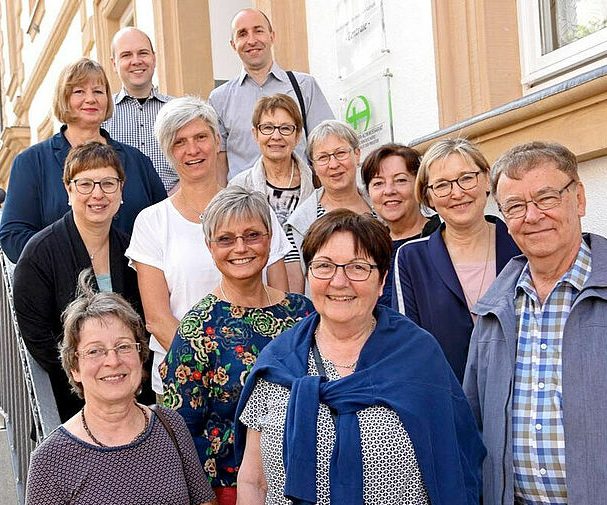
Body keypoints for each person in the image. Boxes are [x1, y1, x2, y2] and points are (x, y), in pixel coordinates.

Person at [235, 210, 485, 505]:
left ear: (382, 281)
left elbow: (455, 467)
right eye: (324, 266)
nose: (339, 281)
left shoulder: (419, 358)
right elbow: (254, 480)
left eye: (357, 267)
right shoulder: (278, 361)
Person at [464, 141, 607, 505]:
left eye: (546, 198)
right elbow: (473, 422)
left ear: (578, 199)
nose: (532, 216)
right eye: (515, 206)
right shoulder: (494, 309)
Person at [126, 96, 290, 400]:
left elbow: (280, 295)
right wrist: (216, 367)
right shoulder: (152, 222)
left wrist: (256, 364)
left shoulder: (256, 210)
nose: (192, 150)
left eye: (201, 137)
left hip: (266, 376)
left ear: (217, 141)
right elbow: (158, 318)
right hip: (186, 380)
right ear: (168, 153)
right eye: (180, 142)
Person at [162, 186, 313, 505]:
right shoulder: (198, 327)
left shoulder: (303, 314)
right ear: (209, 246)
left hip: (309, 481)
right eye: (226, 239)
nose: (240, 248)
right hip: (229, 490)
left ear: (270, 238)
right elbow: (181, 432)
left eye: (252, 235)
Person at [24, 270, 215, 505]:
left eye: (123, 346)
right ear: (75, 367)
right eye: (95, 351)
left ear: (140, 354)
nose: (113, 361)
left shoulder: (170, 426)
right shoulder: (51, 461)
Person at [13, 142, 152, 422]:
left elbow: (145, 326)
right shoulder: (39, 254)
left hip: (133, 396)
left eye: (108, 183)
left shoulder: (133, 252)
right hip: (72, 403)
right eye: (85, 184)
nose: (98, 194)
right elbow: (40, 340)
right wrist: (94, 382)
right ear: (69, 190)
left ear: (121, 190)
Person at [0, 57, 166, 264]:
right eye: (79, 91)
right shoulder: (31, 162)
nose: (90, 99)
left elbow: (163, 224)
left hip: (133, 285)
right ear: (63, 98)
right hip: (63, 288)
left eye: (98, 91)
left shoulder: (137, 161)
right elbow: (13, 235)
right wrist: (65, 261)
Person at [392, 138, 519, 382]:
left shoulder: (520, 245)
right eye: (441, 185)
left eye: (467, 178)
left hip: (520, 401)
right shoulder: (412, 258)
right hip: (447, 401)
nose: (457, 193)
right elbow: (408, 347)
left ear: (486, 179)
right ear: (428, 197)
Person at [209, 8, 334, 183]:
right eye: (242, 34)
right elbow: (220, 164)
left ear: (271, 36)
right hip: (244, 203)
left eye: (258, 31)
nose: (251, 40)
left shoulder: (304, 86)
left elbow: (326, 144)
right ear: (233, 44)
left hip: (300, 200)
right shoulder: (219, 99)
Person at [285, 119, 373, 293]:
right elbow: (298, 296)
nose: (334, 164)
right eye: (323, 157)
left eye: (340, 153)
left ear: (357, 154)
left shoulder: (382, 209)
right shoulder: (298, 226)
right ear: (314, 166)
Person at [361, 143, 440, 306]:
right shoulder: (368, 247)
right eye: (378, 183)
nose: (389, 190)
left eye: (400, 180)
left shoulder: (442, 236)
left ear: (419, 186)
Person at [103, 27, 179, 193]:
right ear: (114, 64)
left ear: (154, 58)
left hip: (174, 210)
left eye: (143, 53)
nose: (136, 61)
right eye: (126, 55)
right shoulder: (102, 115)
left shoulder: (178, 111)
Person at [229, 93, 314, 226]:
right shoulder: (239, 186)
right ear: (255, 134)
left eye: (285, 128)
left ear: (297, 136)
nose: (276, 136)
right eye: (268, 127)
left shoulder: (318, 180)